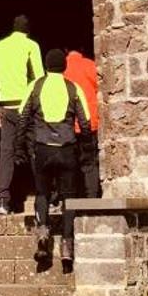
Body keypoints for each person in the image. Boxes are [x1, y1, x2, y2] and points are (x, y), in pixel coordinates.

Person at [17, 49, 91, 272]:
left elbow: (23, 116)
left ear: (47, 65)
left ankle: (42, 231)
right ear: (63, 67)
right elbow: (85, 122)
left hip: (42, 148)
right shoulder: (72, 87)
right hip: (67, 149)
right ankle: (67, 246)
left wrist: (21, 147)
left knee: (42, 193)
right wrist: (85, 150)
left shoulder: (36, 86)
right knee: (69, 197)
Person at [0, 13, 43, 213]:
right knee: (34, 150)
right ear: (27, 31)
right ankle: (41, 199)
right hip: (25, 107)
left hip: (5, 108)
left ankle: (3, 199)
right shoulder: (31, 46)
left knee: (6, 152)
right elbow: (38, 80)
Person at [65, 43, 101, 196]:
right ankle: (92, 196)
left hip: (68, 123)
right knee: (90, 162)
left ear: (65, 50)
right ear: (83, 49)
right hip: (90, 121)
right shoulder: (92, 66)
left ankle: (70, 196)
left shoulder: (61, 68)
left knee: (69, 163)